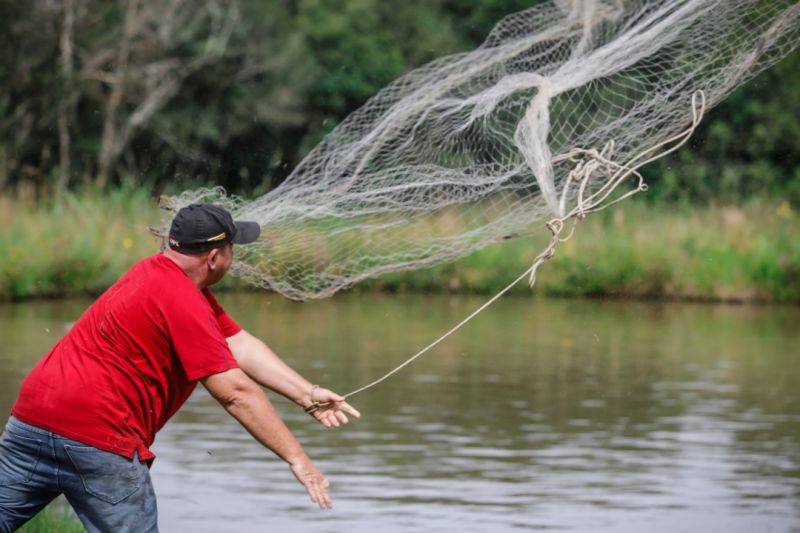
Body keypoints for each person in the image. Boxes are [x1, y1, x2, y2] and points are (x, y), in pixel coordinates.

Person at [0, 203, 359, 532]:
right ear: (215, 257)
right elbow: (235, 393)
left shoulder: (154, 273)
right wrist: (299, 460)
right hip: (100, 438)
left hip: (31, 422)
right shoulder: (182, 298)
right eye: (233, 248)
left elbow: (239, 344)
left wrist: (307, 395)